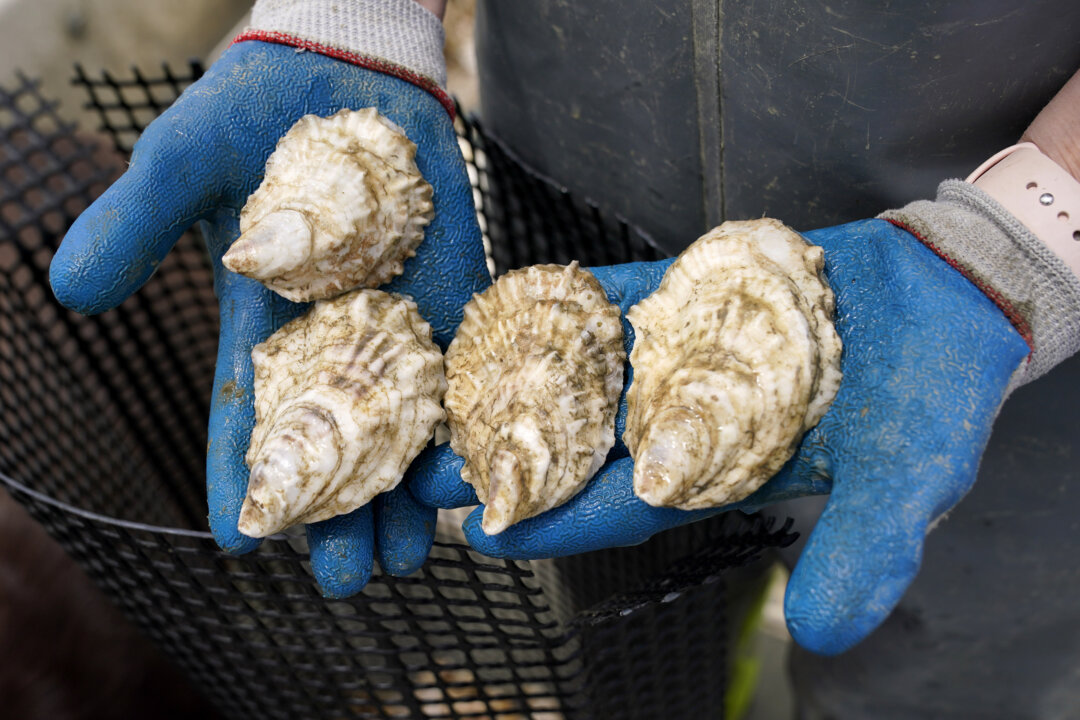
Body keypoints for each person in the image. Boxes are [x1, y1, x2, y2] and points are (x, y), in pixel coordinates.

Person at [48, 0, 1080, 716]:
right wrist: (354, 13)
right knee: (625, 624)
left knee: (954, 675)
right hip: (576, 159)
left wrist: (1032, 235)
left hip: (1002, 315)